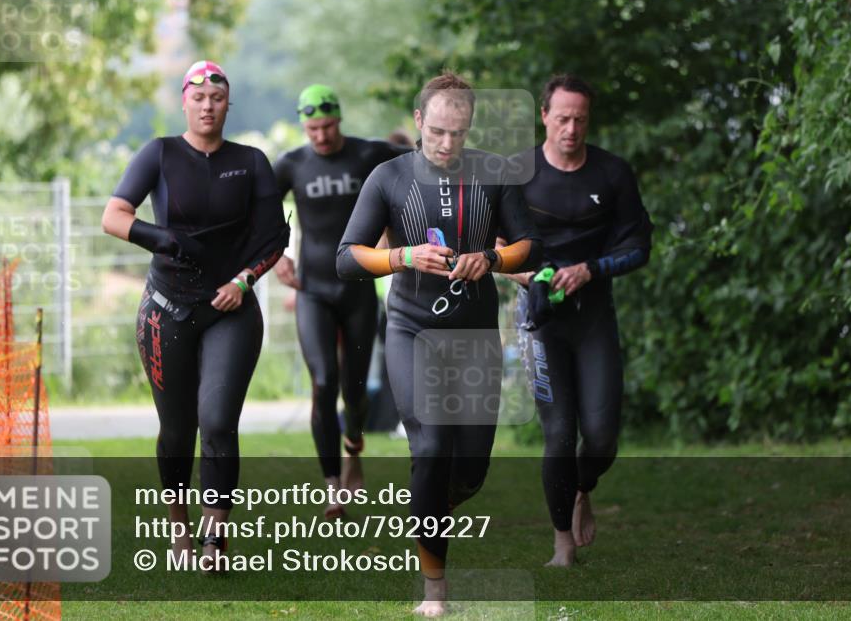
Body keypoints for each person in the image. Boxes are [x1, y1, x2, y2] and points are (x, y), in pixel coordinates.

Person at [337, 72, 542, 617]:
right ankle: (435, 589)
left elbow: (530, 245)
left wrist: (492, 258)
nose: (448, 143)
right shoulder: (388, 177)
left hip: (474, 335)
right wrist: (401, 257)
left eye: (459, 132)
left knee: (469, 471)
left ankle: (430, 509)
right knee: (429, 450)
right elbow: (346, 257)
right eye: (437, 132)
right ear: (419, 121)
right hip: (412, 329)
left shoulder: (493, 173)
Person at [101, 60, 289, 570]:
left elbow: (275, 238)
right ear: (184, 102)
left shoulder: (251, 162)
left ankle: (214, 538)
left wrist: (242, 281)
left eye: (217, 98)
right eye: (199, 98)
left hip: (230, 307)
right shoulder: (159, 153)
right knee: (178, 429)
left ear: (228, 104)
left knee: (219, 421)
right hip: (166, 310)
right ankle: (179, 526)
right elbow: (113, 216)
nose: (208, 107)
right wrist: (161, 239)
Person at [508, 74, 652, 567]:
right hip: (541, 319)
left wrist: (590, 269)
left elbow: (639, 248)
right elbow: (495, 247)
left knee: (602, 437)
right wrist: (529, 276)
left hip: (593, 317)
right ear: (544, 116)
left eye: (581, 120)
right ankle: (562, 545)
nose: (571, 129)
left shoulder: (612, 173)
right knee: (559, 435)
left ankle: (582, 488)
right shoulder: (519, 173)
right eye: (563, 118)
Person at [270, 85, 409, 518]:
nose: (321, 136)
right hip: (313, 290)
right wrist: (277, 255)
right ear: (303, 125)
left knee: (354, 389)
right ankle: (332, 486)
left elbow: (421, 159)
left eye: (328, 126)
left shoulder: (367, 154)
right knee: (323, 382)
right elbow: (259, 210)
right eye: (313, 128)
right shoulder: (292, 164)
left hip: (358, 290)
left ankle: (354, 447)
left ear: (339, 120)